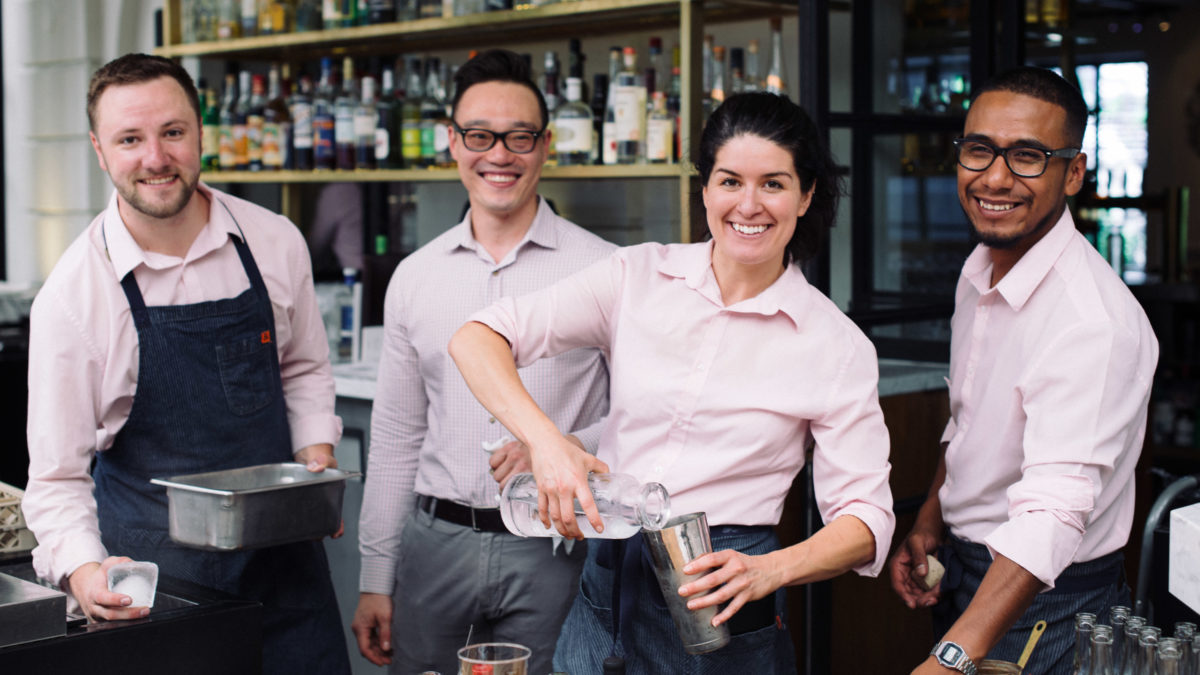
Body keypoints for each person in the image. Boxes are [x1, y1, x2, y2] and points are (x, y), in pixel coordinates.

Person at [448, 91, 896, 673]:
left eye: (774, 184)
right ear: (705, 188)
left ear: (806, 195)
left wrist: (772, 569)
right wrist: (548, 443)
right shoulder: (637, 275)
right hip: (608, 580)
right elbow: (478, 337)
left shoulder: (835, 345)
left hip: (724, 592)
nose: (749, 205)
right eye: (730, 181)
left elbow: (867, 519)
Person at [21, 54, 351, 673]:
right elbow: (59, 476)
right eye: (129, 139)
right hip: (158, 590)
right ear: (99, 150)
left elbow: (304, 368)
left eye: (172, 132)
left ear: (201, 132)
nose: (155, 158)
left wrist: (316, 456)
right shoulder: (73, 297)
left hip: (288, 573)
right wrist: (85, 571)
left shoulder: (274, 241)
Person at [350, 49, 614, 675]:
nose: (499, 154)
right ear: (452, 142)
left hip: (558, 546)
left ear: (545, 145)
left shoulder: (604, 268)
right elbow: (394, 439)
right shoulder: (415, 277)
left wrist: (562, 445)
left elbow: (645, 416)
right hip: (435, 547)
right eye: (479, 135)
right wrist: (374, 576)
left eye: (519, 136)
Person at [888, 66, 1158, 675]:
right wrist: (933, 517)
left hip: (1048, 601)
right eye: (979, 149)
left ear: (1074, 172)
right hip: (967, 569)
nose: (995, 177)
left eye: (1028, 156)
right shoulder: (979, 268)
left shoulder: (1091, 321)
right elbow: (969, 421)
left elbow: (1051, 518)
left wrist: (950, 659)